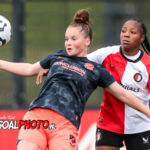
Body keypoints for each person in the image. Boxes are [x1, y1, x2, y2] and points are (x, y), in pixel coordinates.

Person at [1, 10, 150, 150]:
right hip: (37, 116)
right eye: (66, 39)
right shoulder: (57, 57)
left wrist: (147, 112)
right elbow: (28, 69)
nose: (68, 43)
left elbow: (124, 95)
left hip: (65, 125)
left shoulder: (96, 70)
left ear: (87, 41)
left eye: (73, 39)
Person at [87, 19, 150, 150]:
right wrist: (47, 66)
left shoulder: (147, 64)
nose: (126, 35)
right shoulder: (106, 54)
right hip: (108, 122)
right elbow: (78, 63)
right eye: (123, 31)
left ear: (142, 38)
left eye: (133, 32)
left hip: (140, 125)